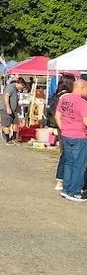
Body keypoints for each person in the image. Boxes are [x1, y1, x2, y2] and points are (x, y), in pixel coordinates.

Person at [54, 74, 87, 202]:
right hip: (80, 136)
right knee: (79, 165)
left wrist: (64, 129)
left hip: (66, 135)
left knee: (69, 163)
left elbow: (57, 116)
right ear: (82, 88)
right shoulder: (82, 103)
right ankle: (75, 192)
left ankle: (66, 189)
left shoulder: (64, 99)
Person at [47, 73, 75, 192]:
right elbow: (57, 115)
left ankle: (61, 179)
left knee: (65, 154)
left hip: (62, 128)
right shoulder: (64, 97)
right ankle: (62, 179)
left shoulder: (57, 95)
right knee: (67, 154)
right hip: (65, 128)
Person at [0, 76, 25, 142]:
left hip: (13, 109)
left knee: (15, 123)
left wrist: (17, 107)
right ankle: (7, 139)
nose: (21, 89)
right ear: (20, 84)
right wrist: (8, 107)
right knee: (6, 124)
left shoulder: (15, 90)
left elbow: (15, 99)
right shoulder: (11, 87)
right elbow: (6, 96)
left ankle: (14, 137)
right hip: (6, 109)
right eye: (22, 87)